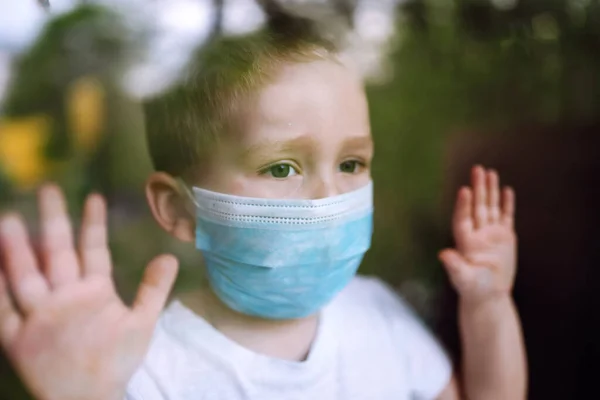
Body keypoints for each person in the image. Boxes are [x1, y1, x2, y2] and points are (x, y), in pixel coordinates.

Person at [0, 18, 526, 400]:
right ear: (179, 209)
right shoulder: (143, 369)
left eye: (351, 163)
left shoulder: (379, 316)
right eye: (282, 168)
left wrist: (488, 307)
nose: (329, 199)